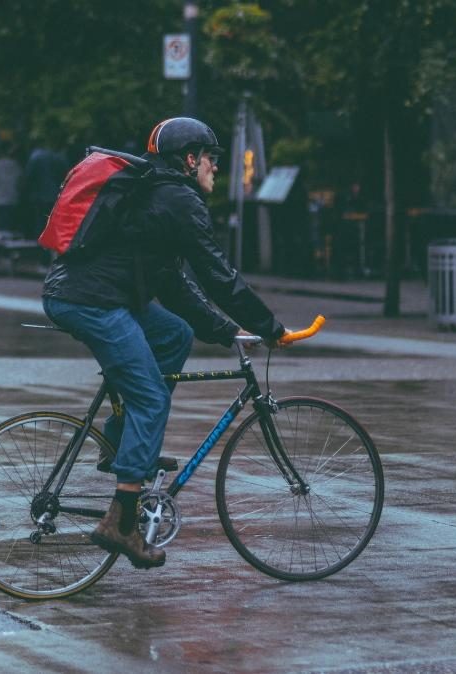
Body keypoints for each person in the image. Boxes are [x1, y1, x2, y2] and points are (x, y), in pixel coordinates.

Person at [41, 117, 287, 570]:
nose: (216, 167)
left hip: (94, 294)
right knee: (151, 398)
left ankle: (121, 442)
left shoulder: (157, 193)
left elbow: (173, 284)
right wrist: (270, 326)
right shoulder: (178, 199)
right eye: (212, 158)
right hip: (92, 301)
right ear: (190, 159)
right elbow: (217, 274)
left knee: (174, 333)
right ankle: (121, 521)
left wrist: (226, 330)